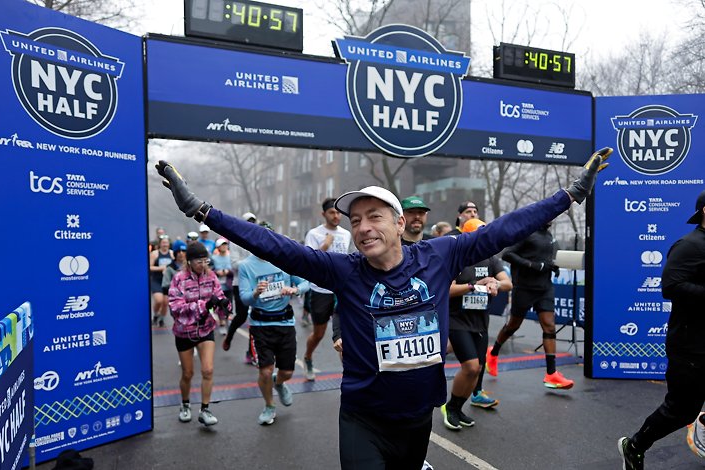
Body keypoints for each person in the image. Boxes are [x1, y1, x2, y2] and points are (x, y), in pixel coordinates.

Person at [155, 147, 609, 468]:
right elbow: (276, 247)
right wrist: (201, 210)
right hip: (362, 416)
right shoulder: (343, 270)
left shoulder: (441, 254)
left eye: (374, 217)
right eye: (355, 221)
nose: (363, 228)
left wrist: (571, 194)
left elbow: (506, 229)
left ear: (397, 222)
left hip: (417, 416)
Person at [618, 189, 705, 470]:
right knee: (681, 410)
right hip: (691, 345)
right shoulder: (689, 245)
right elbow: (670, 287)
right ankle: (634, 445)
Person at [485, 218, 574, 388]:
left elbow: (546, 258)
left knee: (549, 326)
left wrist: (553, 266)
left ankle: (551, 373)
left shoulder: (549, 236)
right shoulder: (526, 232)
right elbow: (507, 254)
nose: (552, 219)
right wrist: (533, 265)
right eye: (550, 215)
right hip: (524, 287)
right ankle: (493, 352)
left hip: (545, 288)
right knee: (513, 325)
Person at [441, 219, 512, 431]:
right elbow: (447, 289)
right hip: (457, 319)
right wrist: (473, 286)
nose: (485, 239)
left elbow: (508, 283)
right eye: (480, 235)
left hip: (480, 321)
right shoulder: (457, 258)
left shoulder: (491, 259)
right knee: (470, 366)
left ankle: (456, 407)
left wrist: (494, 282)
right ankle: (450, 407)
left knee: (478, 369)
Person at [238, 223, 309, 425]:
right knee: (265, 370)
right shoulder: (245, 266)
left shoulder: (283, 260)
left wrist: (295, 290)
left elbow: (305, 282)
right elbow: (244, 299)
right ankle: (269, 406)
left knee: (286, 372)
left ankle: (279, 383)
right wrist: (255, 293)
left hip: (285, 322)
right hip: (260, 325)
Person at [168, 242, 230, 427]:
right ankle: (185, 404)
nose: (203, 265)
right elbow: (175, 308)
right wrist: (204, 305)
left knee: (208, 370)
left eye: (206, 260)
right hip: (184, 331)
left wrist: (224, 306)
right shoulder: (179, 279)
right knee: (188, 373)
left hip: (205, 329)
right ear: (189, 261)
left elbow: (218, 298)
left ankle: (205, 409)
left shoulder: (211, 277)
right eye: (199, 261)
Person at [303, 198, 353, 381]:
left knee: (344, 334)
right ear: (324, 214)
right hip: (320, 291)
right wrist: (325, 245)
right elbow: (308, 262)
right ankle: (308, 357)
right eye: (332, 212)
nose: (336, 215)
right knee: (319, 334)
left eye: (338, 212)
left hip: (341, 290)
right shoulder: (314, 234)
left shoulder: (346, 234)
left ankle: (350, 372)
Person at [223, 212, 258, 366]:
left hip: (256, 284)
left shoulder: (257, 239)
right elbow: (234, 264)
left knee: (255, 318)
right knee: (242, 316)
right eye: (248, 222)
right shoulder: (235, 240)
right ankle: (229, 335)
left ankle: (251, 352)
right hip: (240, 284)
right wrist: (251, 264)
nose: (250, 224)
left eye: (253, 222)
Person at [150, 236, 173, 327]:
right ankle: (155, 315)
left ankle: (162, 319)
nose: (165, 244)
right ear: (160, 244)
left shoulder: (171, 253)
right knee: (159, 300)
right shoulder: (155, 254)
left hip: (167, 282)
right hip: (157, 280)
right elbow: (150, 267)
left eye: (166, 243)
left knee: (165, 302)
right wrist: (161, 268)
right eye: (163, 242)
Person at [212, 238, 233, 335]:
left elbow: (235, 269)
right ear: (218, 247)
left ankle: (227, 320)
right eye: (222, 245)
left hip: (229, 284)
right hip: (218, 286)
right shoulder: (214, 258)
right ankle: (222, 324)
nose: (224, 246)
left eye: (225, 244)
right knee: (220, 305)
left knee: (229, 304)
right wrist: (217, 272)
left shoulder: (231, 257)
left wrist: (228, 272)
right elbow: (210, 270)